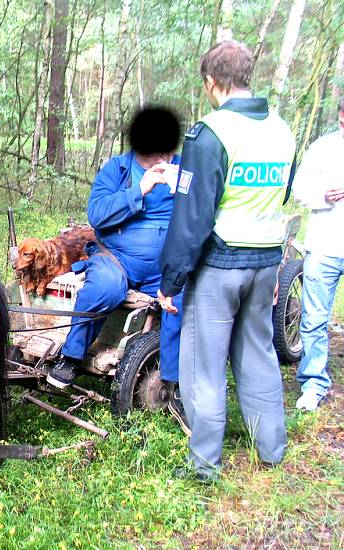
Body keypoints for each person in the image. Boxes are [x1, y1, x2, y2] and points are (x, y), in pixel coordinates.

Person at [158, 40, 296, 480]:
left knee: (205, 366)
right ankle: (271, 447)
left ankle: (203, 464)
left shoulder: (210, 132)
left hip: (219, 266)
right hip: (266, 261)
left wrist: (171, 281)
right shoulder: (282, 130)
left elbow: (193, 215)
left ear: (211, 82)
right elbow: (278, 194)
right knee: (258, 354)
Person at [47, 106, 187, 434]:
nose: (161, 155)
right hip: (117, 259)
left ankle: (174, 380)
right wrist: (139, 191)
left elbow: (203, 209)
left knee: (182, 299)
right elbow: (97, 215)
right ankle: (71, 357)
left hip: (166, 266)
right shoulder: (117, 170)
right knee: (104, 287)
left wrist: (183, 186)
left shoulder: (184, 169)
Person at [292, 98, 344, 411]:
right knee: (314, 318)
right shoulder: (322, 148)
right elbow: (299, 190)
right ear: (341, 115)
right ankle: (313, 383)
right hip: (325, 245)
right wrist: (322, 196)